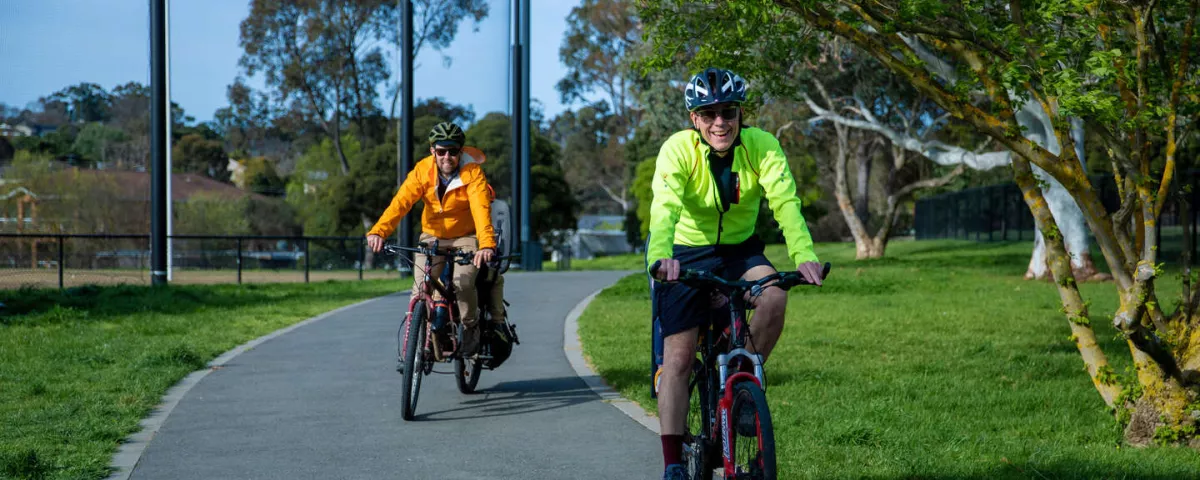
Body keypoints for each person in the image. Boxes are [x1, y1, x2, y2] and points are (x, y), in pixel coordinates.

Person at [646, 67, 824, 479]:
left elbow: (785, 202)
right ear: (695, 119)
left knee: (775, 294)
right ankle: (673, 461)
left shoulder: (761, 146)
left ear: (740, 113)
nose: (720, 122)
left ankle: (743, 381)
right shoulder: (677, 150)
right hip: (686, 252)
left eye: (728, 112)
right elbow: (664, 208)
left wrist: (804, 254)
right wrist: (662, 258)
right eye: (708, 114)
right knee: (679, 357)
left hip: (741, 250)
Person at [366, 122, 504, 357]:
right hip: (432, 237)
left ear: (461, 152)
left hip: (466, 237)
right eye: (441, 151)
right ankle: (416, 349)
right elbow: (401, 203)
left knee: (463, 284)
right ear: (433, 151)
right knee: (420, 289)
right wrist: (379, 231)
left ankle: (471, 328)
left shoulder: (472, 173)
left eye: (452, 151)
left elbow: (481, 210)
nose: (447, 157)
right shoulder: (422, 171)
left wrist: (487, 245)